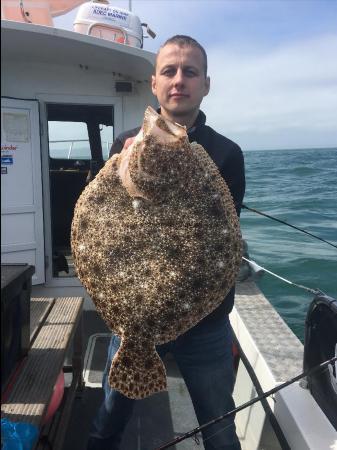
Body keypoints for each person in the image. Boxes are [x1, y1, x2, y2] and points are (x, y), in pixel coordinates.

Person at [87, 35, 245, 450]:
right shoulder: (123, 142)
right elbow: (98, 218)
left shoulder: (226, 153)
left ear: (205, 84)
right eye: (169, 71)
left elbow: (222, 237)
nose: (179, 80)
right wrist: (115, 167)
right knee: (108, 421)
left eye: (190, 72)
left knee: (221, 431)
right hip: (133, 319)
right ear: (154, 83)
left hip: (204, 324)